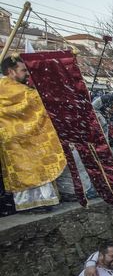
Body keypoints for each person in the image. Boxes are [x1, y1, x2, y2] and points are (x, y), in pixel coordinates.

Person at [0, 56, 67, 212]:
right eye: (23, 70)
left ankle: (39, 202)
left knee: (34, 168)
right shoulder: (10, 88)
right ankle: (34, 204)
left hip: (20, 139)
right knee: (29, 170)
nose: (27, 74)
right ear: (11, 71)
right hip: (17, 140)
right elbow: (36, 100)